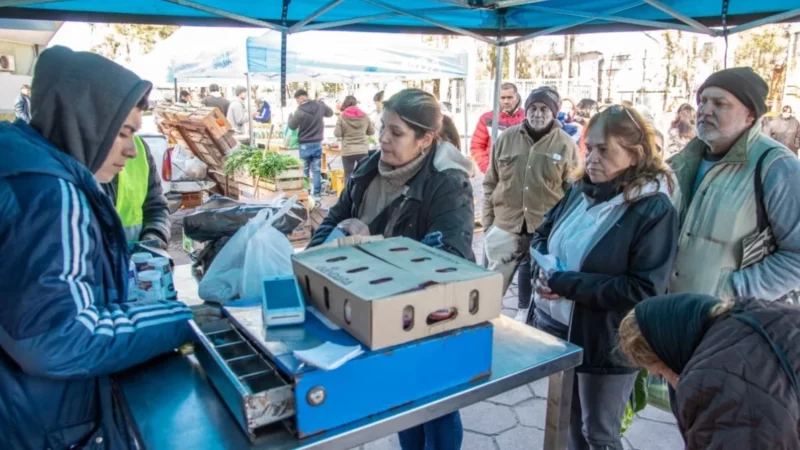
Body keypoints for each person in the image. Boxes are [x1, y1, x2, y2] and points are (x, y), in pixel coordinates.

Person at [0, 46, 192, 450]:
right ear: (83, 121)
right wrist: (184, 319)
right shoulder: (52, 193)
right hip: (45, 425)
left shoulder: (21, 163)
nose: (130, 149)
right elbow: (59, 337)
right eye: (122, 133)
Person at [309, 89, 473, 449]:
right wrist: (316, 254)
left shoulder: (448, 184)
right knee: (402, 398)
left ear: (425, 139)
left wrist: (373, 244)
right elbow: (336, 217)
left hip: (429, 317)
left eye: (396, 133)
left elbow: (453, 258)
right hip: (377, 307)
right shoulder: (369, 168)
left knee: (438, 405)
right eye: (382, 127)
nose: (383, 138)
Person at [530, 105, 678, 450]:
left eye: (604, 150)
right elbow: (544, 232)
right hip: (560, 329)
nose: (592, 158)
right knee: (567, 419)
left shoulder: (653, 208)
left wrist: (565, 283)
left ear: (634, 154)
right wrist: (542, 266)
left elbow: (643, 289)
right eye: (590, 147)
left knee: (598, 432)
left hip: (608, 340)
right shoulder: (581, 189)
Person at [669, 67, 800, 301]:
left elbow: (796, 256)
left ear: (750, 116)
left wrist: (734, 291)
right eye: (702, 101)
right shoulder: (682, 161)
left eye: (720, 104)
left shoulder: (777, 166)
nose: (705, 110)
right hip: (670, 309)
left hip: (731, 315)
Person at [619, 293, 800, 449]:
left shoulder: (711, 384)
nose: (670, 385)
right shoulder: (755, 313)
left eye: (661, 375)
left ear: (668, 352)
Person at [482, 86, 579, 322]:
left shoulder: (566, 145)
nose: (537, 113)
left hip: (544, 233)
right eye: (533, 108)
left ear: (554, 112)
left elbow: (574, 195)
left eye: (544, 109)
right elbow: (490, 182)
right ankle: (483, 332)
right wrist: (488, 224)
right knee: (487, 295)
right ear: (526, 110)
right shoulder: (506, 138)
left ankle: (530, 326)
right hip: (505, 227)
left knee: (543, 296)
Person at [102, 135, 171, 248]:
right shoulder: (73, 162)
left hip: (136, 258)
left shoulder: (140, 147)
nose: (133, 152)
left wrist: (154, 237)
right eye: (123, 132)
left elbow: (156, 208)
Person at [470, 82, 525, 174]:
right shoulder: (487, 118)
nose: (506, 101)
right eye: (502, 98)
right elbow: (477, 146)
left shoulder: (527, 118)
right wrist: (488, 168)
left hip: (521, 174)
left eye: (510, 97)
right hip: (495, 173)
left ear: (516, 97)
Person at [288, 89, 333, 199]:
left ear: (300, 98)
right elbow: (330, 113)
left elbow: (292, 126)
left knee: (305, 170)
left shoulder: (299, 110)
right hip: (317, 143)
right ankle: (317, 194)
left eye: (297, 100)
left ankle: (306, 193)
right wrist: (322, 103)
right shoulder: (319, 106)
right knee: (316, 170)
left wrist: (290, 117)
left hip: (304, 144)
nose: (297, 102)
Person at [334, 95, 374, 179]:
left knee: (348, 175)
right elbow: (371, 132)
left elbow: (337, 134)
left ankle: (349, 188)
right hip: (362, 150)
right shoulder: (365, 116)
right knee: (363, 176)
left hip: (347, 150)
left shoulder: (341, 117)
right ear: (356, 103)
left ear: (345, 104)